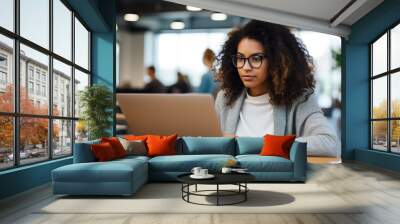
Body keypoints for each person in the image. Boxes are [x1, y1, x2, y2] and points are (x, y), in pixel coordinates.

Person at [215, 20, 340, 158]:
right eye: (240, 58)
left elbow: (329, 143)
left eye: (256, 59)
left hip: (276, 178)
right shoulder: (225, 98)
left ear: (277, 60)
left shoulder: (300, 99)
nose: (246, 67)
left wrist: (271, 145)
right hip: (233, 177)